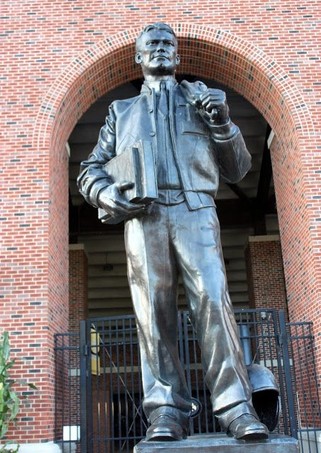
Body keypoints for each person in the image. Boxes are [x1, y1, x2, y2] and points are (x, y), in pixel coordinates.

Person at [77, 22, 269, 442]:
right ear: (139, 58)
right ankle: (166, 410)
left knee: (214, 299)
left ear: (178, 57)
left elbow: (237, 168)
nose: (161, 49)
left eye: (168, 44)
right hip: (143, 217)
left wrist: (221, 124)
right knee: (152, 313)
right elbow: (89, 171)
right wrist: (108, 196)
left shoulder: (202, 100)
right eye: (152, 45)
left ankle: (237, 407)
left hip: (196, 210)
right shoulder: (120, 113)